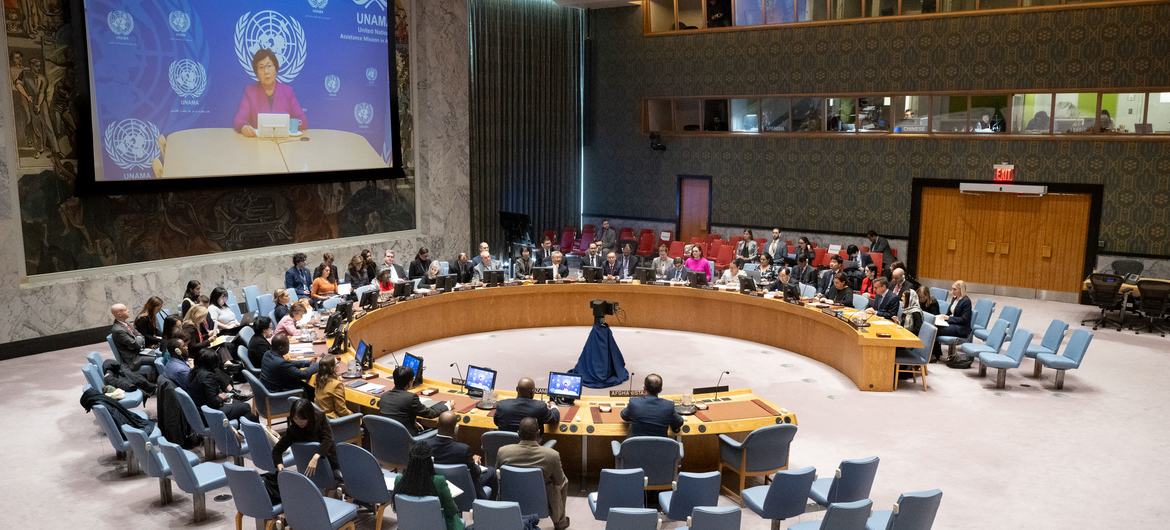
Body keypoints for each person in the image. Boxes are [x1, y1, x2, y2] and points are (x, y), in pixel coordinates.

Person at [496, 418, 570, 530]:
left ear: (518, 433)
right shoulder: (551, 455)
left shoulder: (503, 451)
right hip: (541, 501)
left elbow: (497, 474)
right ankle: (560, 521)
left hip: (510, 497)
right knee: (562, 482)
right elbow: (560, 481)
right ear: (538, 433)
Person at [233, 48, 307, 137]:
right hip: (257, 143)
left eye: (269, 66)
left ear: (276, 69)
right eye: (261, 67)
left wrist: (291, 127)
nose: (266, 72)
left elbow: (302, 121)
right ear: (256, 73)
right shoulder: (250, 92)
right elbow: (239, 120)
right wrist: (243, 127)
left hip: (284, 141)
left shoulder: (288, 91)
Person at [394, 443, 466, 530]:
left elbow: (398, 510)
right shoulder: (439, 481)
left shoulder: (399, 480)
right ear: (430, 461)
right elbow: (451, 511)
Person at [424, 412, 493, 499]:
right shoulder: (463, 450)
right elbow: (475, 473)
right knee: (492, 472)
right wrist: (476, 463)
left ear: (437, 424)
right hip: (464, 486)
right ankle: (490, 506)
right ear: (455, 428)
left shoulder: (425, 445)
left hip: (435, 488)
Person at [272, 399, 340, 482]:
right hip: (306, 461)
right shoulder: (293, 430)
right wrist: (280, 467)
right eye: (295, 418)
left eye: (302, 419)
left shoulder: (320, 418)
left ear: (309, 416)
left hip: (326, 457)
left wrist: (316, 457)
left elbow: (328, 439)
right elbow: (277, 450)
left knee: (338, 476)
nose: (299, 422)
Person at [379, 365, 451, 436]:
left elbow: (396, 415)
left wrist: (413, 422)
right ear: (410, 382)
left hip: (387, 437)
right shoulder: (410, 398)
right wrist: (447, 406)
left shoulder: (384, 396)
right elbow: (430, 414)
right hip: (407, 439)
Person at [190, 349, 256, 422]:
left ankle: (241, 429)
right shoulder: (207, 376)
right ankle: (255, 431)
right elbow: (214, 402)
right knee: (246, 407)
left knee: (238, 403)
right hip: (209, 413)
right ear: (211, 363)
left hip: (201, 409)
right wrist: (221, 397)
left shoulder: (193, 372)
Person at [494, 377, 560, 431]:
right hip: (530, 446)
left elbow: (496, 422)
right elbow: (554, 418)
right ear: (532, 392)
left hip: (505, 444)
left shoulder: (502, 405)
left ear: (517, 389)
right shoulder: (540, 406)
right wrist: (553, 406)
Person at [110, 303, 158, 372]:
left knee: (159, 353)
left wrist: (138, 338)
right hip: (134, 359)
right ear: (119, 314)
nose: (128, 310)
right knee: (158, 358)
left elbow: (140, 335)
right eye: (126, 310)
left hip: (139, 352)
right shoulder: (118, 330)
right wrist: (138, 339)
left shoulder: (126, 323)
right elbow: (135, 344)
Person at [314, 355, 353, 419]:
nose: (338, 365)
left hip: (322, 418)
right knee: (359, 416)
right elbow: (342, 410)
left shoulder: (318, 379)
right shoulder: (336, 385)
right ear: (333, 368)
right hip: (334, 421)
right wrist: (355, 416)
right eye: (337, 363)